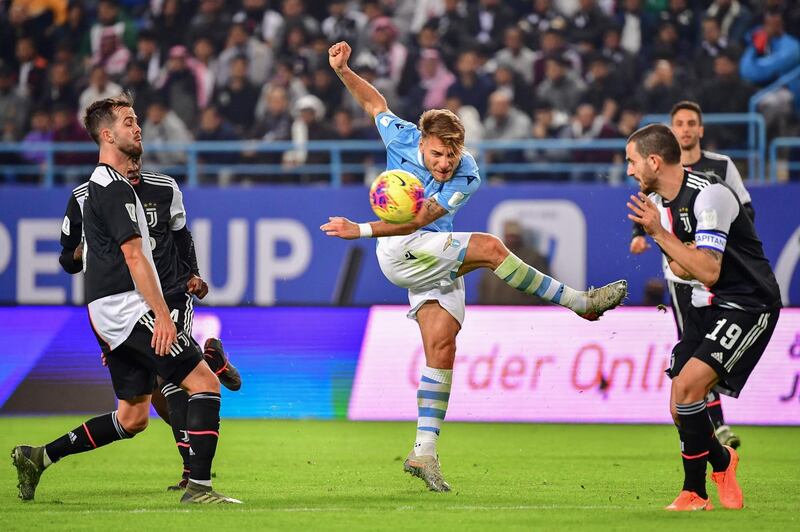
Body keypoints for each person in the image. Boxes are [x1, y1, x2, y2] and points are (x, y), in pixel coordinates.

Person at [321, 41, 628, 492]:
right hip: (400, 249)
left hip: (429, 248)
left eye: (451, 154)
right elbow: (375, 103)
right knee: (489, 247)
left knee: (442, 348)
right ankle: (580, 302)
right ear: (420, 142)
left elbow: (424, 215)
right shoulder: (401, 135)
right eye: (437, 155)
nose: (444, 164)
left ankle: (423, 452)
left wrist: (360, 228)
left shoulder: (468, 173)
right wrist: (343, 71)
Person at [11, 93, 241, 505]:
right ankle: (200, 488)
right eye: (129, 121)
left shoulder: (109, 186)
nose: (138, 128)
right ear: (107, 134)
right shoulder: (111, 189)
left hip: (110, 312)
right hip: (127, 306)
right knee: (202, 382)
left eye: (137, 121)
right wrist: (160, 315)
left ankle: (39, 457)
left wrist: (112, 332)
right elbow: (135, 256)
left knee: (133, 417)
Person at [58, 154, 242, 490]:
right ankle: (211, 361)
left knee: (173, 380)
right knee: (156, 392)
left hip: (168, 294)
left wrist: (194, 274)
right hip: (126, 303)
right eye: (130, 157)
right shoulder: (84, 197)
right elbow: (66, 259)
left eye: (138, 158)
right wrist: (87, 251)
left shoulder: (164, 187)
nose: (135, 164)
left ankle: (193, 476)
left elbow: (181, 236)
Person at [625, 124, 781, 511]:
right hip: (704, 306)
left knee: (691, 386)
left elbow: (708, 270)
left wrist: (662, 237)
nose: (629, 170)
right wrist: (680, 255)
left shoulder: (709, 195)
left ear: (654, 161)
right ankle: (724, 461)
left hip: (747, 303)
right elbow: (683, 269)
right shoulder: (664, 204)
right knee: (679, 405)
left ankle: (694, 493)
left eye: (632, 161)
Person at [630, 101, 753, 450]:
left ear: (700, 129)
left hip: (718, 277)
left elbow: (744, 210)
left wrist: (715, 245)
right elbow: (644, 216)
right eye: (678, 124)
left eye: (691, 123)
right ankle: (716, 424)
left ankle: (711, 436)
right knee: (691, 351)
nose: (685, 129)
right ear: (671, 132)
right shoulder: (654, 174)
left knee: (701, 361)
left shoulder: (718, 170)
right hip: (682, 279)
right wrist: (639, 237)